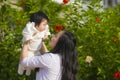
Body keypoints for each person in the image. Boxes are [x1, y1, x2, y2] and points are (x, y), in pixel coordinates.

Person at [18, 11, 50, 76]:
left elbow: (47, 31)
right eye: (43, 24)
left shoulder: (43, 29)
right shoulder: (30, 28)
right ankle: (20, 70)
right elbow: (26, 32)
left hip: (37, 50)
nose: (45, 26)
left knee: (32, 63)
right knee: (24, 61)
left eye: (45, 24)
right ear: (35, 24)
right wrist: (29, 37)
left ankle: (28, 72)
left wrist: (45, 36)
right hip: (29, 49)